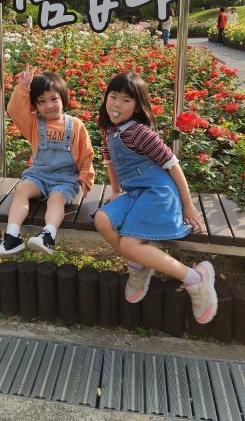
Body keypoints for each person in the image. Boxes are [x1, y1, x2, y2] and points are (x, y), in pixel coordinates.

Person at [93, 71, 217, 324]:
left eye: (126, 100)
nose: (117, 104)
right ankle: (139, 264)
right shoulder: (108, 130)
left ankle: (196, 279)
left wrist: (187, 204)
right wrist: (115, 191)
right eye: (113, 97)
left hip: (158, 193)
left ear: (137, 107)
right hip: (135, 193)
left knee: (129, 244)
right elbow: (110, 162)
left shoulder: (139, 133)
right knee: (102, 219)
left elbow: (173, 165)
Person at [0, 66, 95, 258]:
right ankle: (12, 237)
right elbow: (14, 110)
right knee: (22, 189)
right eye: (41, 101)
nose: (49, 105)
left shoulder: (75, 125)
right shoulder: (33, 123)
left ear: (63, 98)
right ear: (35, 105)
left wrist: (85, 177)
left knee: (56, 199)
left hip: (65, 180)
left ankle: (48, 235)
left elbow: (86, 154)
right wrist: (23, 87)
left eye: (53, 99)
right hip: (39, 175)